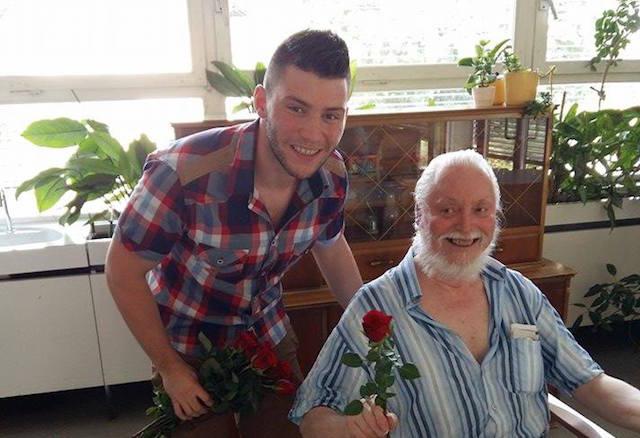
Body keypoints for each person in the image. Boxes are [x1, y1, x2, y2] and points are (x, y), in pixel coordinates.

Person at [105, 29, 363, 438]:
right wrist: (170, 368)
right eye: (297, 109)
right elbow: (122, 273)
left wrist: (370, 324)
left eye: (331, 115)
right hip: (188, 344)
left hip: (268, 333)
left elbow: (331, 248)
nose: (314, 135)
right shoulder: (181, 173)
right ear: (261, 102)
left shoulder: (332, 176)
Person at [290, 149, 640, 437]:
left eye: (480, 210)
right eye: (447, 210)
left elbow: (591, 384)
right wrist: (349, 428)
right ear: (419, 214)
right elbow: (312, 415)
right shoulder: (376, 307)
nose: (466, 226)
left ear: (495, 217)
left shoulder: (519, 293)